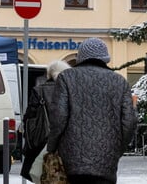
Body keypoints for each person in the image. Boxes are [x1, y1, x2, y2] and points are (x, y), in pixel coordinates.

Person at [47, 38, 138, 184]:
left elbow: (58, 117)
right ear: (105, 58)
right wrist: (119, 148)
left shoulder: (66, 78)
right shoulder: (120, 82)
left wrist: (51, 147)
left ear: (81, 56)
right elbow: (129, 121)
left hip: (72, 157)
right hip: (107, 157)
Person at [21, 59, 70, 182]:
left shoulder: (39, 91)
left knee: (43, 176)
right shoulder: (72, 91)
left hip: (42, 141)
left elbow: (30, 118)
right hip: (68, 142)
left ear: (48, 73)